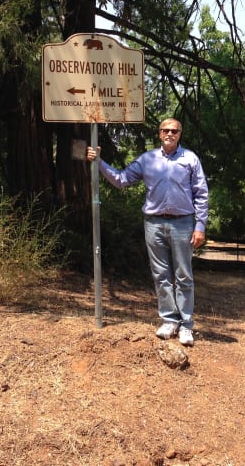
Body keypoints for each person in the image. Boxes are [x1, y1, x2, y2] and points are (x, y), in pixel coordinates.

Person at [87, 118, 208, 347]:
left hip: (183, 224)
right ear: (159, 133)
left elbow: (201, 193)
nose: (170, 133)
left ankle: (186, 326)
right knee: (160, 274)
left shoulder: (190, 159)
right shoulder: (147, 159)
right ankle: (169, 320)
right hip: (153, 224)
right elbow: (121, 180)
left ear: (180, 134)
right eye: (165, 130)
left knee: (184, 275)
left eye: (174, 130)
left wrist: (200, 226)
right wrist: (100, 162)